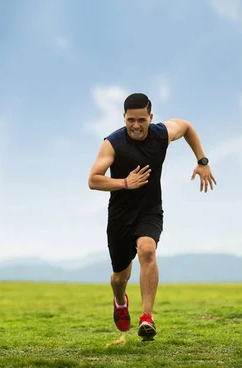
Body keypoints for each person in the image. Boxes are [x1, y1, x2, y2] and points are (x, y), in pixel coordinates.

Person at [87, 93, 216, 341]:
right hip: (120, 215)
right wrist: (125, 182)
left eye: (142, 120)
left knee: (147, 250)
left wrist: (202, 161)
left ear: (151, 118)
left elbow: (186, 126)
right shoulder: (113, 143)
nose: (136, 125)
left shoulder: (160, 134)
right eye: (130, 120)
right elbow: (93, 179)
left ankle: (147, 318)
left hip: (150, 210)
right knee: (120, 276)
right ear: (124, 118)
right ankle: (119, 301)